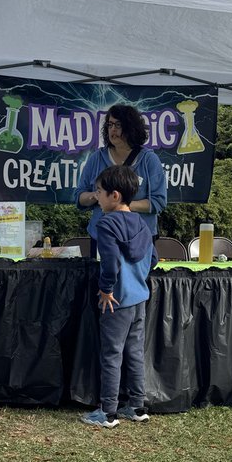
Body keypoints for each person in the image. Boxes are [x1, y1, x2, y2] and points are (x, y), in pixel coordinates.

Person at [81, 165, 156, 429]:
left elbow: (110, 262)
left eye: (99, 192)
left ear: (114, 195)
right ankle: (137, 407)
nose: (96, 196)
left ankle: (108, 412)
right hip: (139, 299)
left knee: (111, 355)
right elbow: (154, 259)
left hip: (117, 302)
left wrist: (107, 289)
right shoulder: (141, 223)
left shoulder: (107, 223)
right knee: (135, 353)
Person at [76, 105, 167, 256]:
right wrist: (97, 196)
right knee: (103, 278)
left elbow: (159, 201)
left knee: (135, 279)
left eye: (118, 125)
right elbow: (79, 197)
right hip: (102, 236)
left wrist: (121, 205)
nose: (113, 129)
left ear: (131, 127)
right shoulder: (96, 158)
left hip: (138, 239)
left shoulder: (149, 160)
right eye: (110, 125)